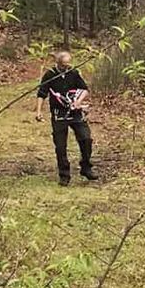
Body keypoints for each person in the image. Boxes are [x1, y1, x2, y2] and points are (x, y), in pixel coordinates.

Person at [35, 49, 98, 186]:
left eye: (68, 65)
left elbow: (85, 89)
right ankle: (64, 175)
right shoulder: (50, 75)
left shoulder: (73, 73)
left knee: (86, 138)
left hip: (75, 112)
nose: (66, 68)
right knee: (60, 146)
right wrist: (38, 111)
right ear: (58, 64)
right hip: (59, 114)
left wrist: (78, 102)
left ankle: (86, 167)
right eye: (64, 65)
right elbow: (41, 93)